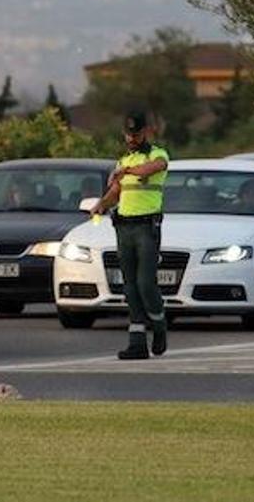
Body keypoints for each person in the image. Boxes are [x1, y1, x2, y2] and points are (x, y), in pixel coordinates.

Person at [91, 112, 171, 360]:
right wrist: (101, 205)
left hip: (146, 227)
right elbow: (115, 191)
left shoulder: (156, 154)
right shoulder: (123, 160)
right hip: (124, 228)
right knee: (129, 286)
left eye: (136, 134)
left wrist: (127, 170)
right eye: (128, 134)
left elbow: (155, 168)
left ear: (146, 132)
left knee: (146, 283)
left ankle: (159, 326)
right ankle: (137, 342)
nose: (131, 139)